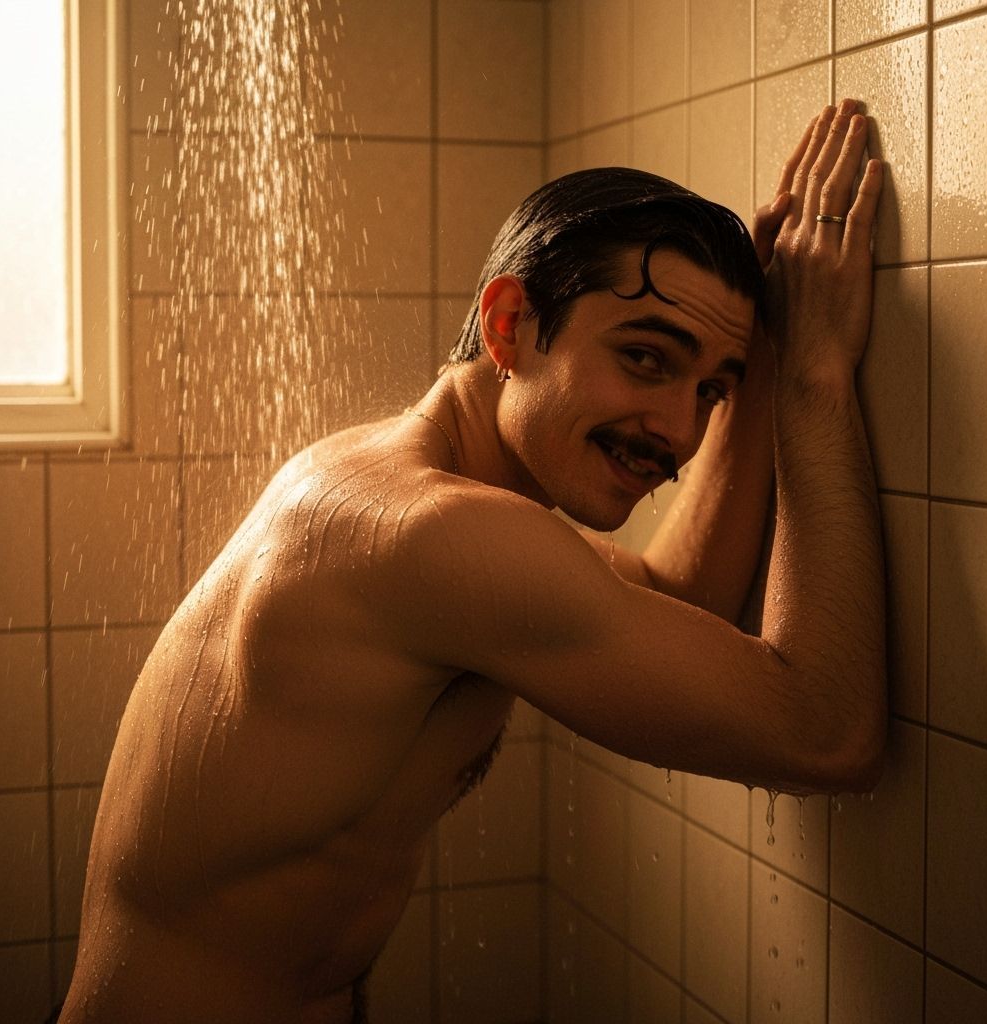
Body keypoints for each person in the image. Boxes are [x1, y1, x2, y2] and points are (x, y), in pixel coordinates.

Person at [58, 99, 886, 1024]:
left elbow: (681, 600)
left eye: (710, 392)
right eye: (646, 359)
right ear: (507, 326)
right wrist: (817, 375)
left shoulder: (419, 495)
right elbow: (827, 734)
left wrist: (763, 369)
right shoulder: (432, 535)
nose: (681, 433)